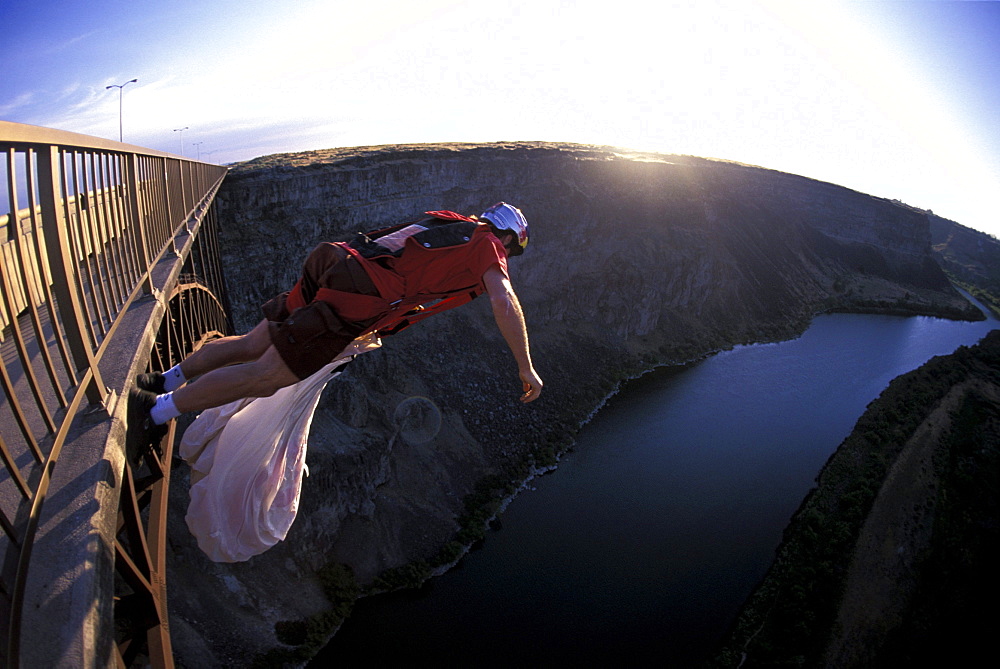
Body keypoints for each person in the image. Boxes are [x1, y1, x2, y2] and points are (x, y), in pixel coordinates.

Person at [131, 202, 542, 428]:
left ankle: (164, 379)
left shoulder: (446, 221)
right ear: (507, 237)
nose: (507, 257)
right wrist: (525, 366)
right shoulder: (488, 246)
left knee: (252, 343)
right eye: (512, 249)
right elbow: (503, 299)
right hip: (355, 297)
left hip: (336, 261)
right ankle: (155, 410)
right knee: (266, 376)